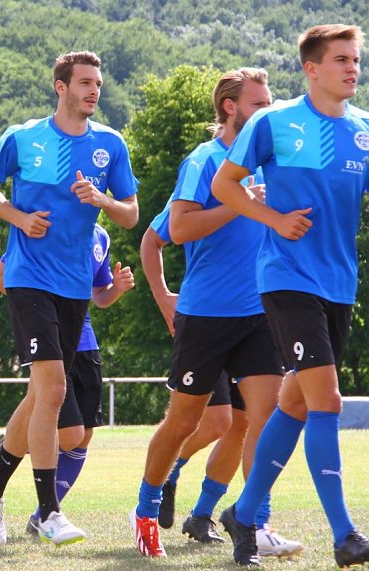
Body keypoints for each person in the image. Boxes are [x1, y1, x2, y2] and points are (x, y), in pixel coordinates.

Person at [212, 24, 369, 568]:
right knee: (326, 401)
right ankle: (346, 536)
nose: (352, 68)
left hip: (338, 285)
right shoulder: (273, 123)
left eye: (356, 59)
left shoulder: (364, 130)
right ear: (312, 68)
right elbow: (224, 186)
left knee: (296, 403)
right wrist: (274, 219)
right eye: (342, 59)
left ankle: (243, 513)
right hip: (287, 279)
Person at [0, 50, 138, 546]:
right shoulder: (23, 137)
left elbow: (131, 214)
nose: (94, 91)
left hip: (74, 286)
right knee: (53, 391)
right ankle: (49, 511)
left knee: (41, 394)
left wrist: (102, 200)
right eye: (85, 82)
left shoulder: (110, 144)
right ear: (60, 87)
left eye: (98, 84)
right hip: (28, 278)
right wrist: (20, 219)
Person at [131, 67, 292, 559]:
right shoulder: (204, 160)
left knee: (264, 418)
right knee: (184, 423)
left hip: (259, 313)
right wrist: (164, 296)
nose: (266, 112)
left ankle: (254, 522)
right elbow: (176, 230)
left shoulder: (269, 164)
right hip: (206, 316)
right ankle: (145, 510)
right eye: (258, 104)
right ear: (230, 107)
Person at [141, 190, 301, 557]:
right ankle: (166, 475)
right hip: (206, 319)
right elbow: (152, 240)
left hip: (257, 321)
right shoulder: (206, 177)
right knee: (213, 422)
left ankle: (225, 519)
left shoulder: (276, 177)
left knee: (253, 420)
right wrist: (163, 296)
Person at [0, 223, 135, 537]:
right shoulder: (50, 223)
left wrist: (117, 288)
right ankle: (21, 466)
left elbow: (100, 296)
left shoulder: (101, 236)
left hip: (86, 345)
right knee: (69, 434)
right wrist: (38, 310)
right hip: (51, 344)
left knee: (83, 436)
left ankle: (38, 513)